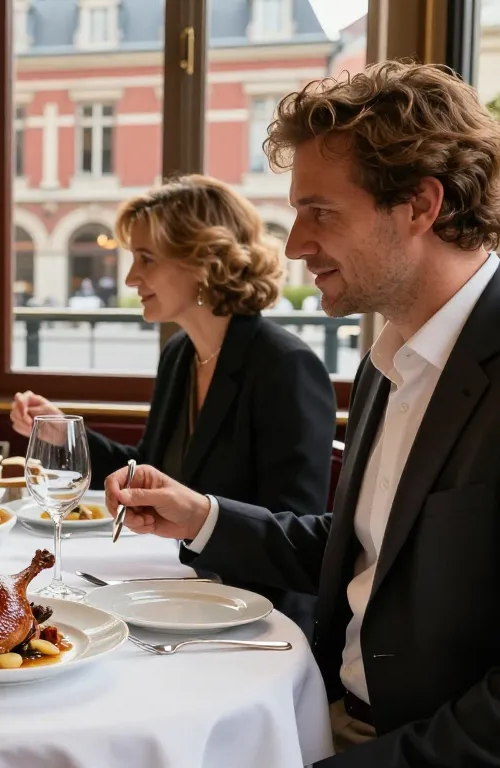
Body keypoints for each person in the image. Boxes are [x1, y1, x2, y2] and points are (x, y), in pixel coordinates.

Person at [104, 61, 500, 766]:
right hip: (327, 709)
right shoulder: (393, 357)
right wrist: (204, 519)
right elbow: (366, 552)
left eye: (320, 211)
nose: (293, 246)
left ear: (419, 205)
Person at [12, 176, 337, 636]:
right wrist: (62, 432)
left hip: (258, 619)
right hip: (185, 595)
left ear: (204, 261)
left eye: (146, 258)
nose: (129, 278)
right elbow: (150, 467)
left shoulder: (285, 367)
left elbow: (296, 532)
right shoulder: (182, 353)